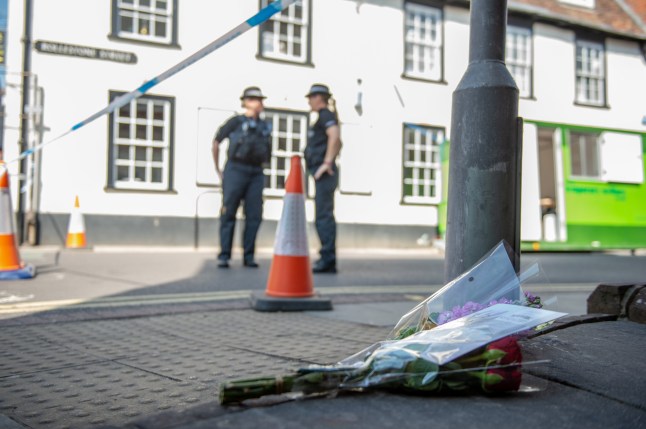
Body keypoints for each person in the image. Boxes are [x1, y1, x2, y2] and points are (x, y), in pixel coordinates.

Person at [212, 86, 271, 268]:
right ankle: (224, 255)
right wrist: (218, 169)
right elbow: (216, 142)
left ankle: (249, 255)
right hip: (235, 169)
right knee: (228, 212)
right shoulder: (235, 122)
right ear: (245, 102)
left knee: (254, 215)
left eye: (260, 100)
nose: (259, 103)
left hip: (256, 172)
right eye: (254, 99)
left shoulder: (264, 126)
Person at [304, 83, 342, 273]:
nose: (309, 101)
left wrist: (326, 164)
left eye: (311, 97)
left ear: (319, 98)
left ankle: (327, 259)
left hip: (325, 174)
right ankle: (327, 257)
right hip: (323, 174)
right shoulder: (324, 116)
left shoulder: (325, 115)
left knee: (323, 216)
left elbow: (335, 137)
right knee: (323, 215)